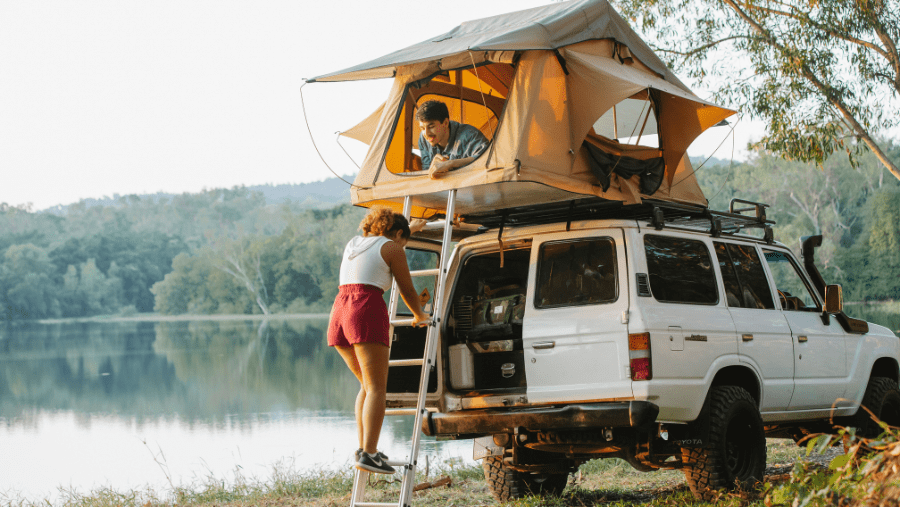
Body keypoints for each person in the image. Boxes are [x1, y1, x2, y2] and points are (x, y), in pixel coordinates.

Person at [327, 207, 430, 474]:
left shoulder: (354, 243)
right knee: (377, 389)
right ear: (397, 234)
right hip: (364, 309)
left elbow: (382, 244)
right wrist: (420, 314)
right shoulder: (393, 248)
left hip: (340, 310)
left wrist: (412, 230)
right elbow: (406, 287)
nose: (402, 247)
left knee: (366, 385)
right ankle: (370, 454)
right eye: (404, 240)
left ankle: (364, 449)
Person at [417, 100, 489, 180]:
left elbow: (488, 159)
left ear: (445, 123)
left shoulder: (470, 135)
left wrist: (450, 163)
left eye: (431, 127)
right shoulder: (423, 139)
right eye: (422, 128)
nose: (426, 133)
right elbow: (427, 171)